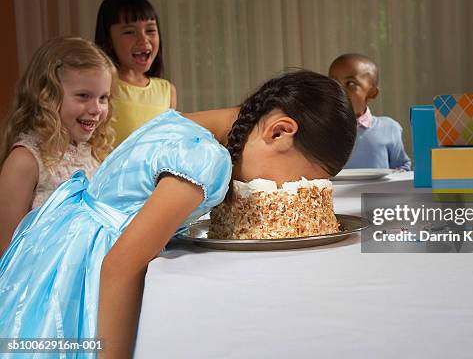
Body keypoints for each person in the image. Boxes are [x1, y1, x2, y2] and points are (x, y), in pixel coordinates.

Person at [0, 70, 356, 358]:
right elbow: (119, 266)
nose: (284, 190)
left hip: (57, 245)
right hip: (87, 268)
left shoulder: (180, 122)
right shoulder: (206, 162)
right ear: (279, 131)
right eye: (300, 179)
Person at [0, 36, 116, 254]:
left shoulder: (95, 154)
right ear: (47, 96)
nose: (96, 109)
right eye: (83, 96)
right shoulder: (26, 161)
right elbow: (6, 250)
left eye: (103, 98)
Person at [95, 0, 177, 146]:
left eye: (150, 30)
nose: (143, 39)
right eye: (129, 32)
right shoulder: (102, 88)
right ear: (109, 39)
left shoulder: (167, 91)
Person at [328, 53, 411, 171]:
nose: (339, 90)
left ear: (372, 92)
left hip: (378, 190)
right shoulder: (320, 128)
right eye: (333, 83)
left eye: (350, 84)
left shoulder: (389, 128)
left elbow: (402, 167)